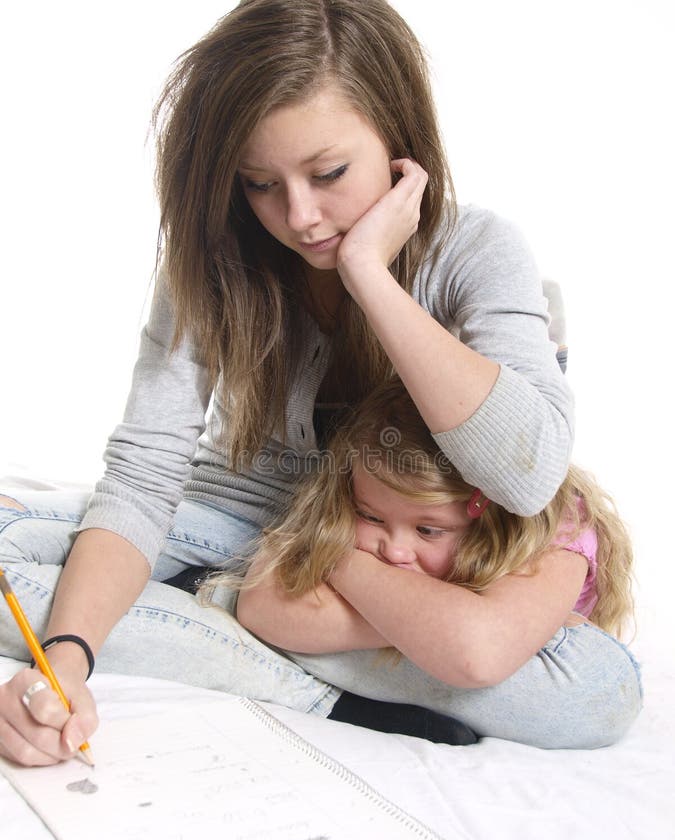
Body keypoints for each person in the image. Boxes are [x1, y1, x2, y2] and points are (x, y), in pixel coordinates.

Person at [0, 0, 573, 766]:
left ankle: (226, 613)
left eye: (327, 173)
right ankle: (313, 679)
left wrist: (370, 273)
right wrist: (65, 661)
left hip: (396, 561)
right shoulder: (215, 262)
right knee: (18, 558)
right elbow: (144, 478)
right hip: (238, 526)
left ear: (399, 137)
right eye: (258, 184)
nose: (299, 217)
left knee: (587, 690)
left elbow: (529, 475)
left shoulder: (477, 251)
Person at [228, 378, 641, 749]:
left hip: (506, 659)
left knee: (597, 691)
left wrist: (340, 562)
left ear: (487, 510)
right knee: (259, 613)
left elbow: (476, 653)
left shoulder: (552, 524)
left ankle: (322, 678)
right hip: (430, 652)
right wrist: (425, 625)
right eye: (370, 517)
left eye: (428, 531)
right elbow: (260, 606)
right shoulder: (341, 509)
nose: (394, 551)